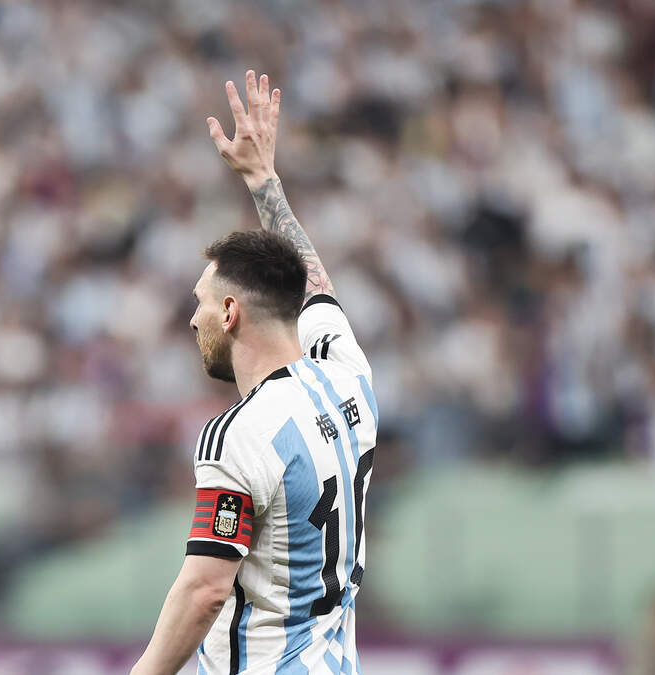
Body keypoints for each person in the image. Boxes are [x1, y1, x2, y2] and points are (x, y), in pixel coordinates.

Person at [132, 71, 378, 675]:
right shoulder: (349, 375)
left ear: (231, 312)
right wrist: (264, 182)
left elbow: (205, 589)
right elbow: (313, 283)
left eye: (200, 302)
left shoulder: (239, 433)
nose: (192, 319)